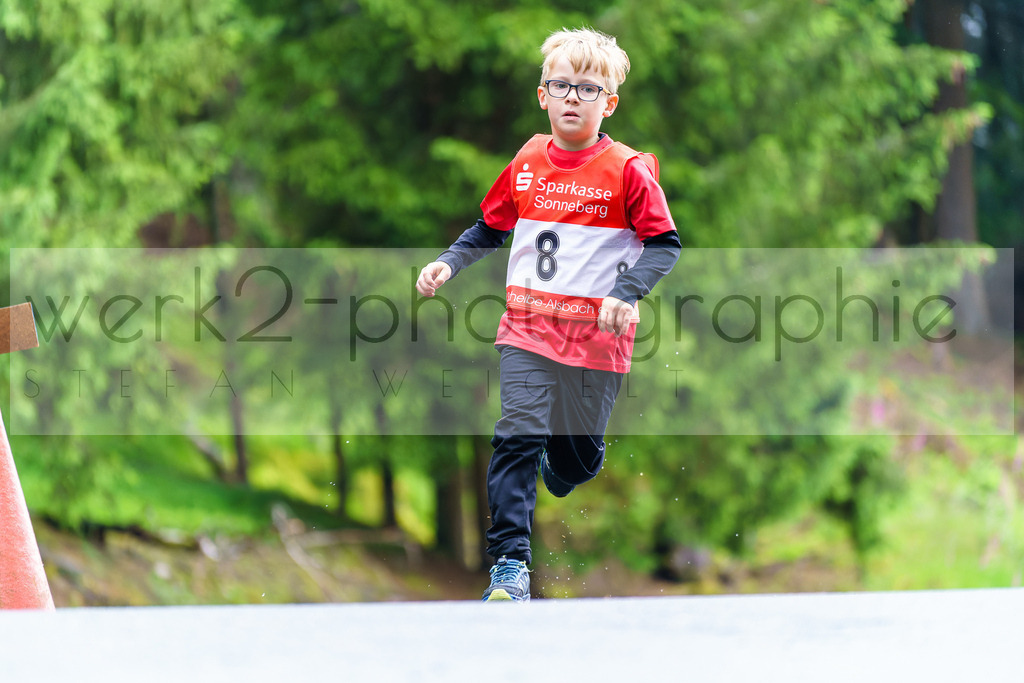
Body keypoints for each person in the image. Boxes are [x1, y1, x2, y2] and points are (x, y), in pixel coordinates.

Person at [416, 27, 680, 602]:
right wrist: (448, 262)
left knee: (576, 461)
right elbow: (490, 225)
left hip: (597, 341)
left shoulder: (629, 170)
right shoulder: (529, 159)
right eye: (561, 85)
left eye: (587, 89)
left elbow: (664, 244)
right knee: (517, 433)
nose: (572, 97)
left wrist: (627, 292)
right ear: (543, 94)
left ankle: (568, 466)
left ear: (608, 103)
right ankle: (509, 564)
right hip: (528, 328)